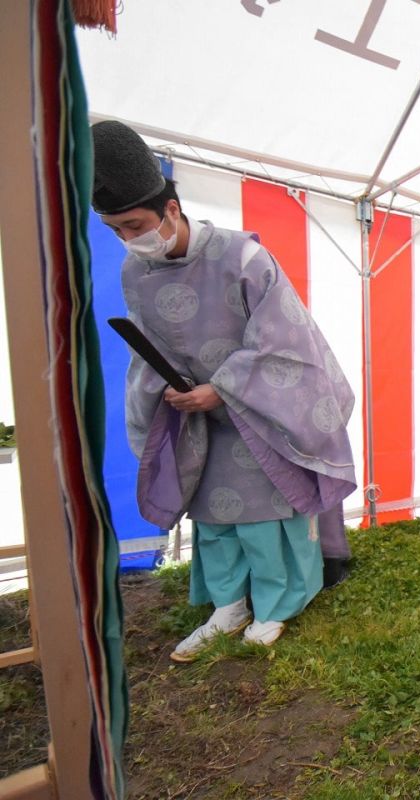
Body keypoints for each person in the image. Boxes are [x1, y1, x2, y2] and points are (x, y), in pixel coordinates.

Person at [90, 121, 357, 662]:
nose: (128, 240)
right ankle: (228, 604)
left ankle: (278, 605)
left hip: (258, 412)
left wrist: (226, 388)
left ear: (171, 210)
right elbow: (146, 348)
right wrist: (168, 393)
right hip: (191, 414)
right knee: (212, 513)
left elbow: (286, 339)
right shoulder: (133, 272)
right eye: (116, 230)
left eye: (135, 225)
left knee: (263, 514)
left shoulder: (242, 257)